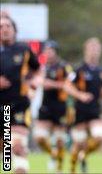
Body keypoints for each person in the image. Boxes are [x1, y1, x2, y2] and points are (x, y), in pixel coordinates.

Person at [33, 40, 92, 173]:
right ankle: (52, 154)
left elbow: (68, 85)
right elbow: (38, 82)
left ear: (55, 52)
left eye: (51, 50)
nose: (48, 53)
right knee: (39, 137)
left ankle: (59, 168)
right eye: (46, 50)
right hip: (45, 107)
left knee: (60, 141)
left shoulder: (64, 67)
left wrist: (52, 84)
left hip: (60, 107)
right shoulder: (42, 67)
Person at [0, 14, 42, 173]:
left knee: (18, 145)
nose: (4, 29)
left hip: (19, 105)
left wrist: (36, 81)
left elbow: (38, 70)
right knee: (6, 152)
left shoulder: (23, 49)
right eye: (1, 27)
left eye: (7, 26)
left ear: (14, 30)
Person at [69, 37, 102, 173]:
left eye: (96, 48)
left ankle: (83, 155)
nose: (94, 51)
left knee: (100, 136)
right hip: (80, 112)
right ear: (86, 50)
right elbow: (67, 85)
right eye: (91, 48)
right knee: (78, 144)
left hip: (95, 111)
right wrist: (79, 95)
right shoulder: (78, 69)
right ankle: (73, 169)